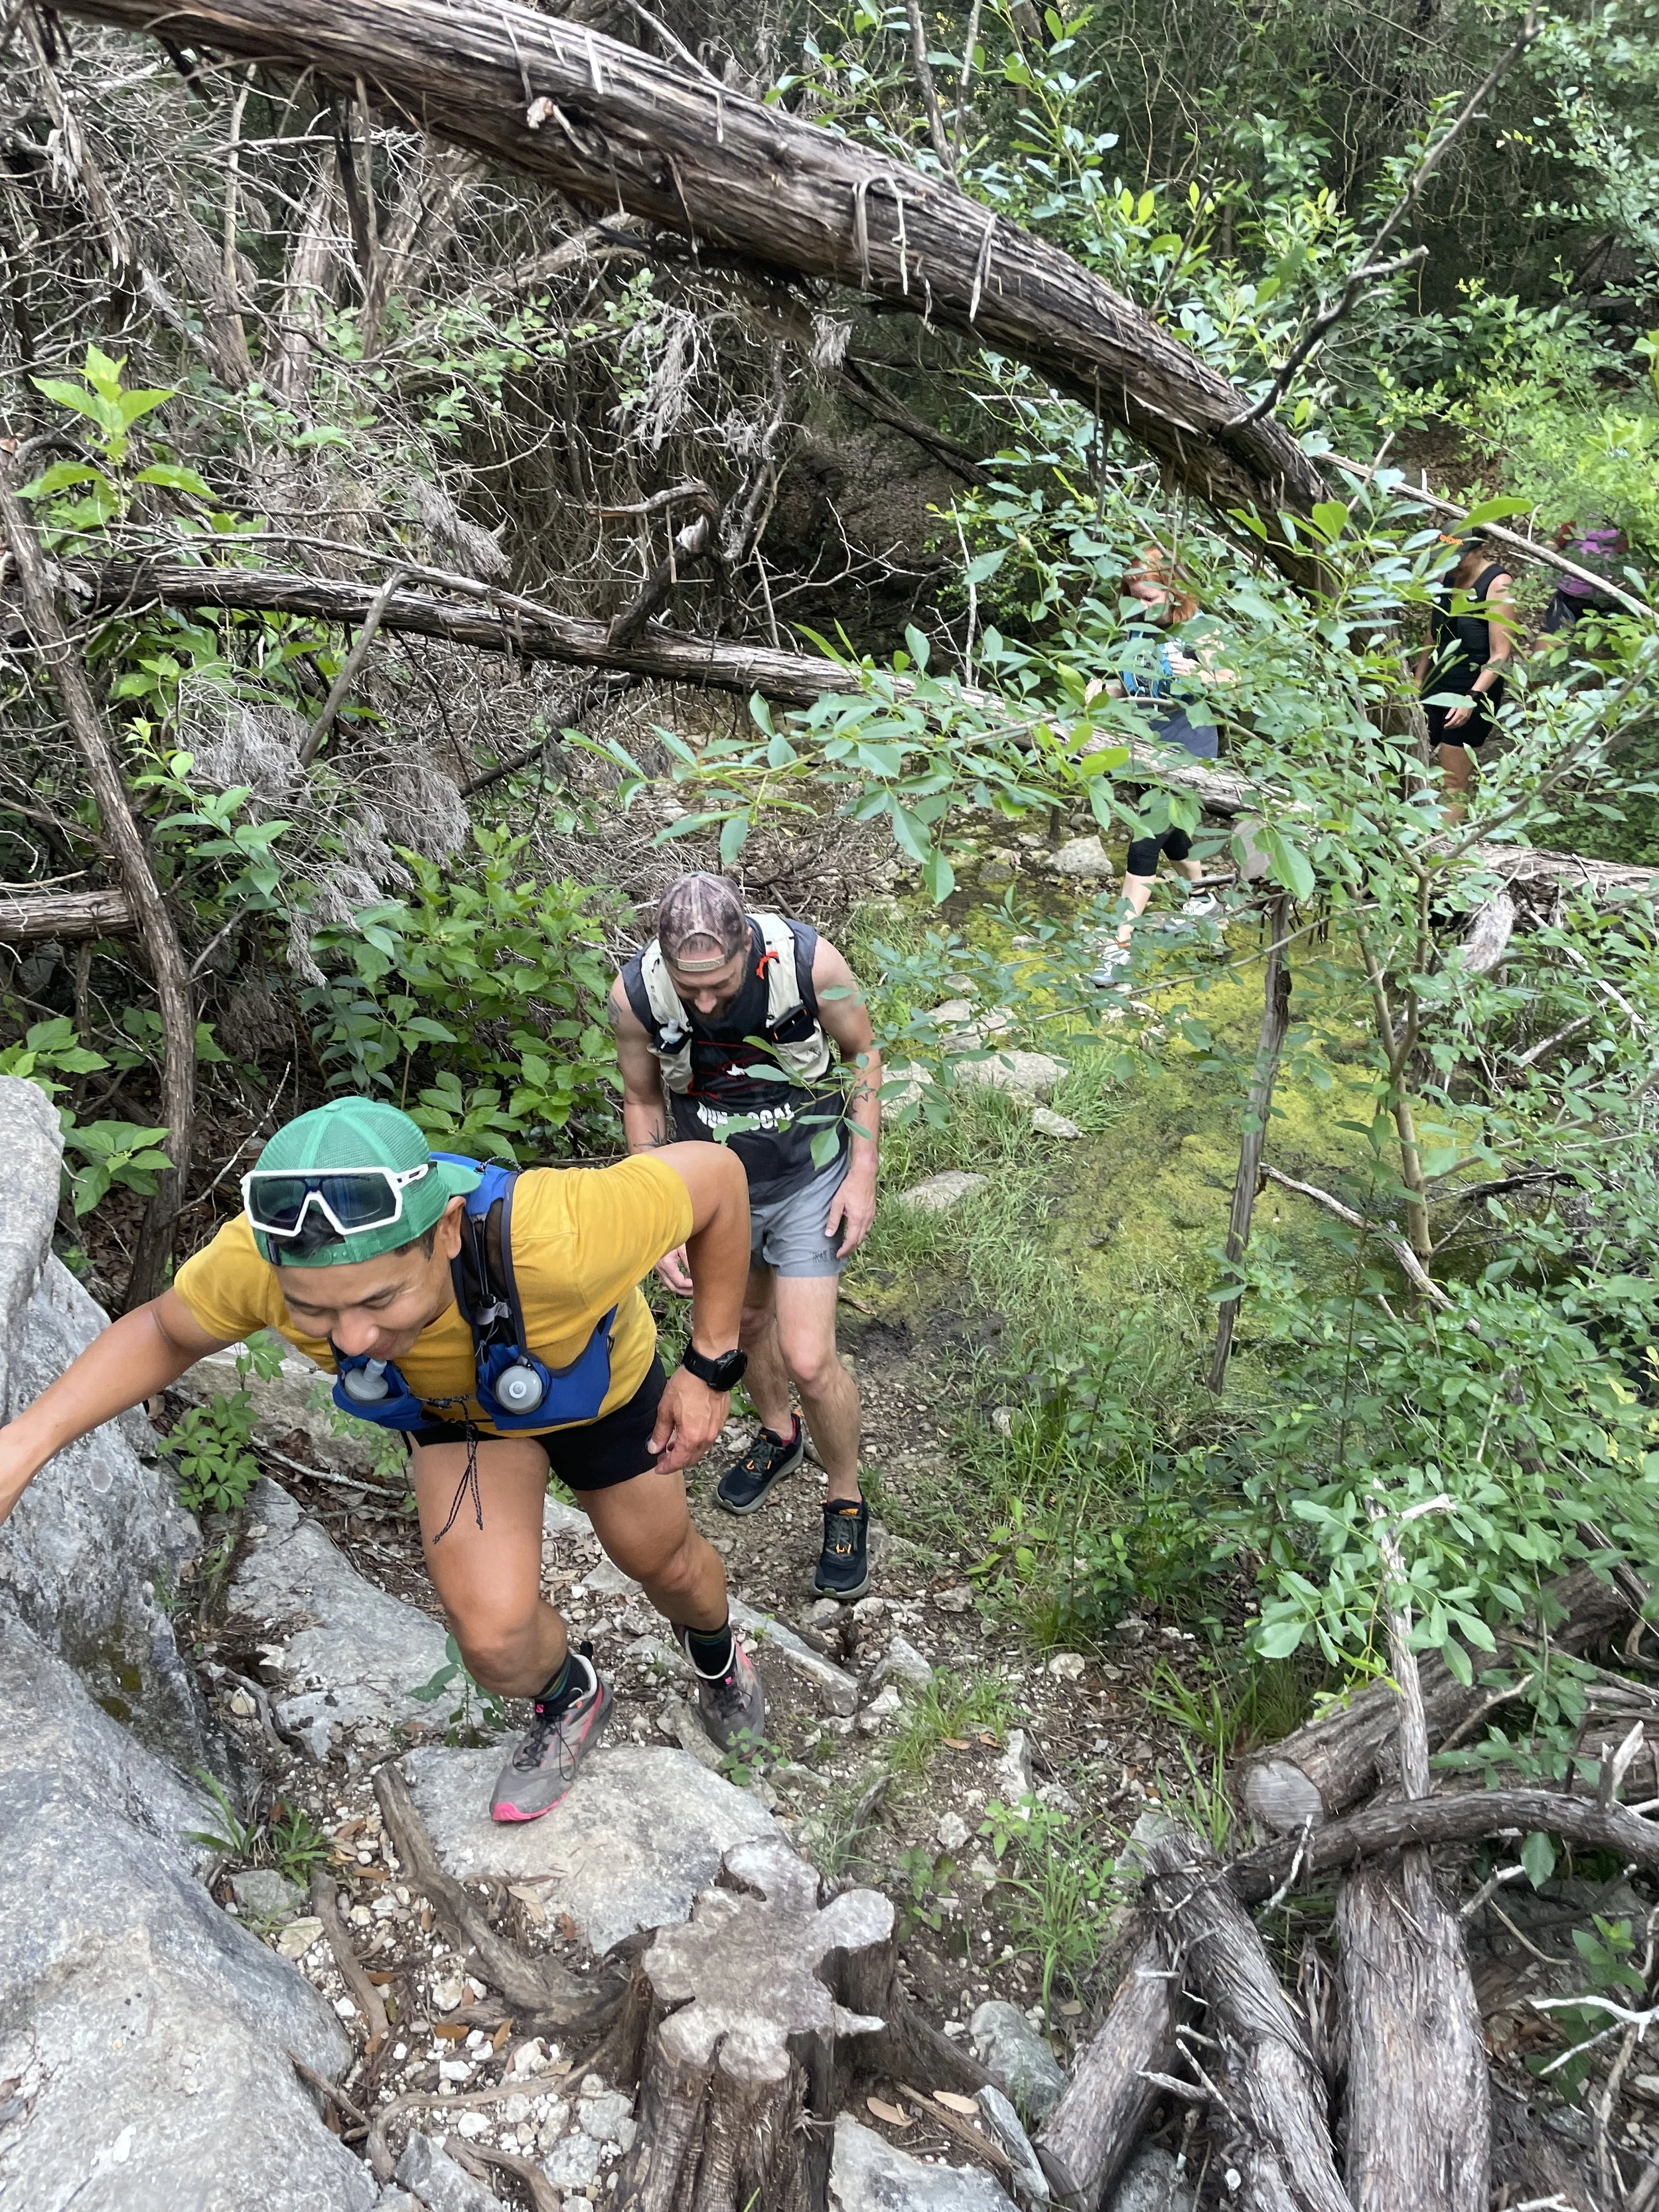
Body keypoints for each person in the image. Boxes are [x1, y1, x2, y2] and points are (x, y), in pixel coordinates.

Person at [0, 1094, 761, 1824]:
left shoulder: (559, 1234)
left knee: (662, 1564)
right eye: (314, 1311)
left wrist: (708, 1366)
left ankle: (717, 1653)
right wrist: (23, 1445)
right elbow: (166, 1331)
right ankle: (570, 1694)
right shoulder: (258, 1263)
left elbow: (718, 1179)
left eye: (378, 1300)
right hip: (455, 1420)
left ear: (447, 1231)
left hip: (597, 1391)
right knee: (493, 1641)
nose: (353, 1338)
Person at [610, 874, 882, 1602]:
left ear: (748, 952)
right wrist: (654, 1211)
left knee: (810, 1357)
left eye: (719, 986)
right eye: (689, 988)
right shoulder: (636, 996)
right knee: (747, 1325)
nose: (704, 1004)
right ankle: (778, 1434)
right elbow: (642, 1097)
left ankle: (845, 1495)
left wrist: (862, 1172)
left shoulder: (809, 965)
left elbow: (863, 1054)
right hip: (715, 1192)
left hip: (808, 1177)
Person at [1090, 547, 1230, 989]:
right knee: (1174, 836)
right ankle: (1203, 898)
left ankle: (1117, 947)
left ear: (1175, 591)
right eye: (1134, 598)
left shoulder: (1201, 627)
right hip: (1146, 750)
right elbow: (1132, 685)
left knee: (1144, 845)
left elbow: (1233, 681)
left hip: (1188, 752)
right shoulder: (1137, 629)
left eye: (1149, 598)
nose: (1142, 607)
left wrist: (1200, 675)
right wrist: (1104, 690)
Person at [1416, 530, 1515, 822]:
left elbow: (1500, 654)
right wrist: (1417, 679)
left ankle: (1442, 844)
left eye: (1460, 556)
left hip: (1474, 687)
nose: (1454, 563)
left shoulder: (1498, 584)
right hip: (1437, 681)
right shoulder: (1445, 577)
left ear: (1480, 550)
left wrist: (1471, 698)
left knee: (1453, 779)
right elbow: (1433, 633)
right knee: (1410, 762)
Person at [1540, 518, 1630, 633]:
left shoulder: (1625, 521)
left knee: (1609, 641)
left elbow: (1627, 552)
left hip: (1610, 598)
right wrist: (1542, 553)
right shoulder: (1577, 516)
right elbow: (1556, 541)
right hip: (1569, 595)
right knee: (1549, 639)